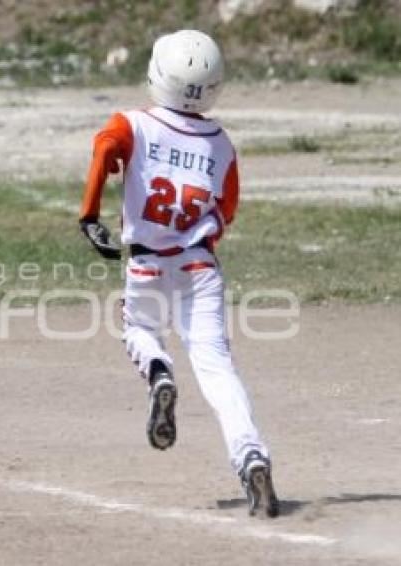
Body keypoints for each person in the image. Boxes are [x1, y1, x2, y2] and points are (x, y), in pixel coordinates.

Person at [79, 30, 279, 517]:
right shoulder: (221, 144)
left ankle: (160, 375)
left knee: (139, 328)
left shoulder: (132, 123)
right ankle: (251, 455)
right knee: (218, 370)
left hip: (147, 263)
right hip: (199, 266)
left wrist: (89, 216)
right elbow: (226, 211)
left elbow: (105, 148)